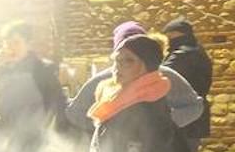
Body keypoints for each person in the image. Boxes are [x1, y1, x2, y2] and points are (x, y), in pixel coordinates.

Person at [85, 34, 174, 152]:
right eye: (117, 61)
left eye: (128, 61)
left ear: (146, 66)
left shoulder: (151, 102)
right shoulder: (117, 97)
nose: (118, 67)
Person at [65, 21, 202, 136]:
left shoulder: (166, 77)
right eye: (121, 59)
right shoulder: (102, 81)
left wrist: (161, 125)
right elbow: (74, 113)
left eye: (131, 59)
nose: (123, 66)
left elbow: (193, 106)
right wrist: (104, 127)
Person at [0, 19, 66, 152]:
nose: (11, 48)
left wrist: (52, 136)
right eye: (7, 43)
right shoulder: (1, 70)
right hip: (7, 140)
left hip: (35, 141)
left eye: (16, 43)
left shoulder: (43, 69)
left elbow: (58, 104)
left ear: (28, 44)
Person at [161, 18, 213, 152]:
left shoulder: (181, 55)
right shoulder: (200, 52)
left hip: (183, 116)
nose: (169, 41)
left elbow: (160, 77)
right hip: (196, 114)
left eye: (171, 36)